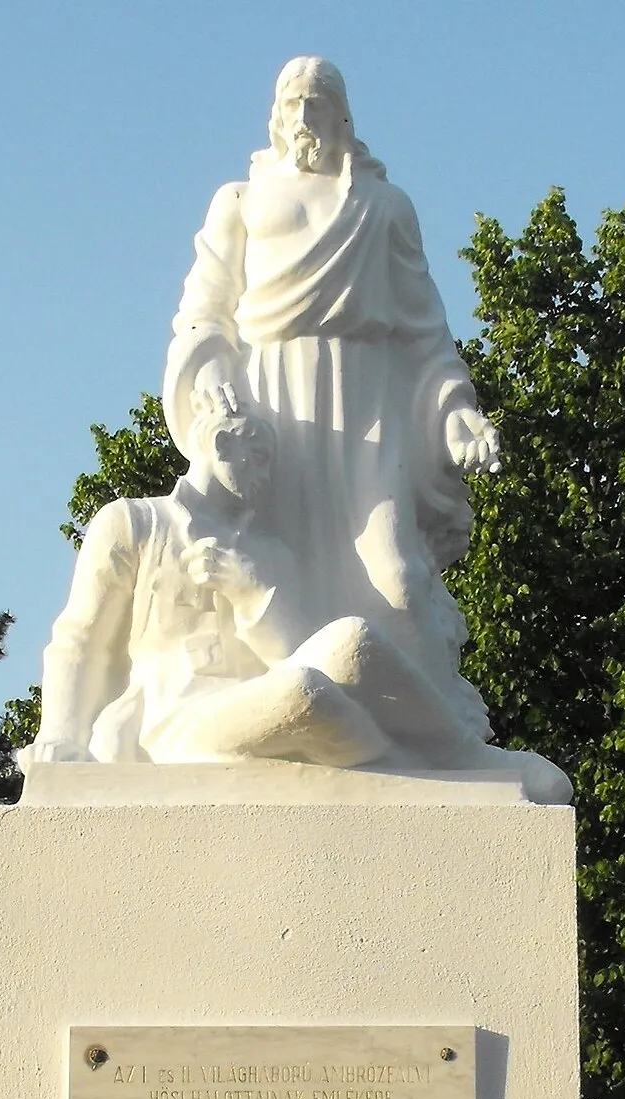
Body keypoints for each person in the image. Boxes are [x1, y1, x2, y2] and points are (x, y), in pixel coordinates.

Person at [164, 56, 500, 700]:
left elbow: (425, 330)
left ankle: (435, 733)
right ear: (274, 116)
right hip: (271, 408)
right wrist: (209, 369)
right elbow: (203, 311)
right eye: (292, 100)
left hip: (369, 404)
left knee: (396, 578)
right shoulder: (240, 202)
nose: (304, 113)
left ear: (343, 115)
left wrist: (456, 409)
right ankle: (291, 713)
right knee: (266, 569)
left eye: (317, 99)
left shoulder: (386, 207)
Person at [30, 392, 511, 771]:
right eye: (257, 458)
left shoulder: (269, 553)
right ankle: (407, 772)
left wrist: (253, 592)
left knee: (353, 639)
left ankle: (458, 754)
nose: (265, 474)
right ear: (221, 446)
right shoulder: (135, 523)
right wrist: (59, 735)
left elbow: (294, 653)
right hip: (174, 722)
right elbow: (79, 639)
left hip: (254, 700)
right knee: (300, 691)